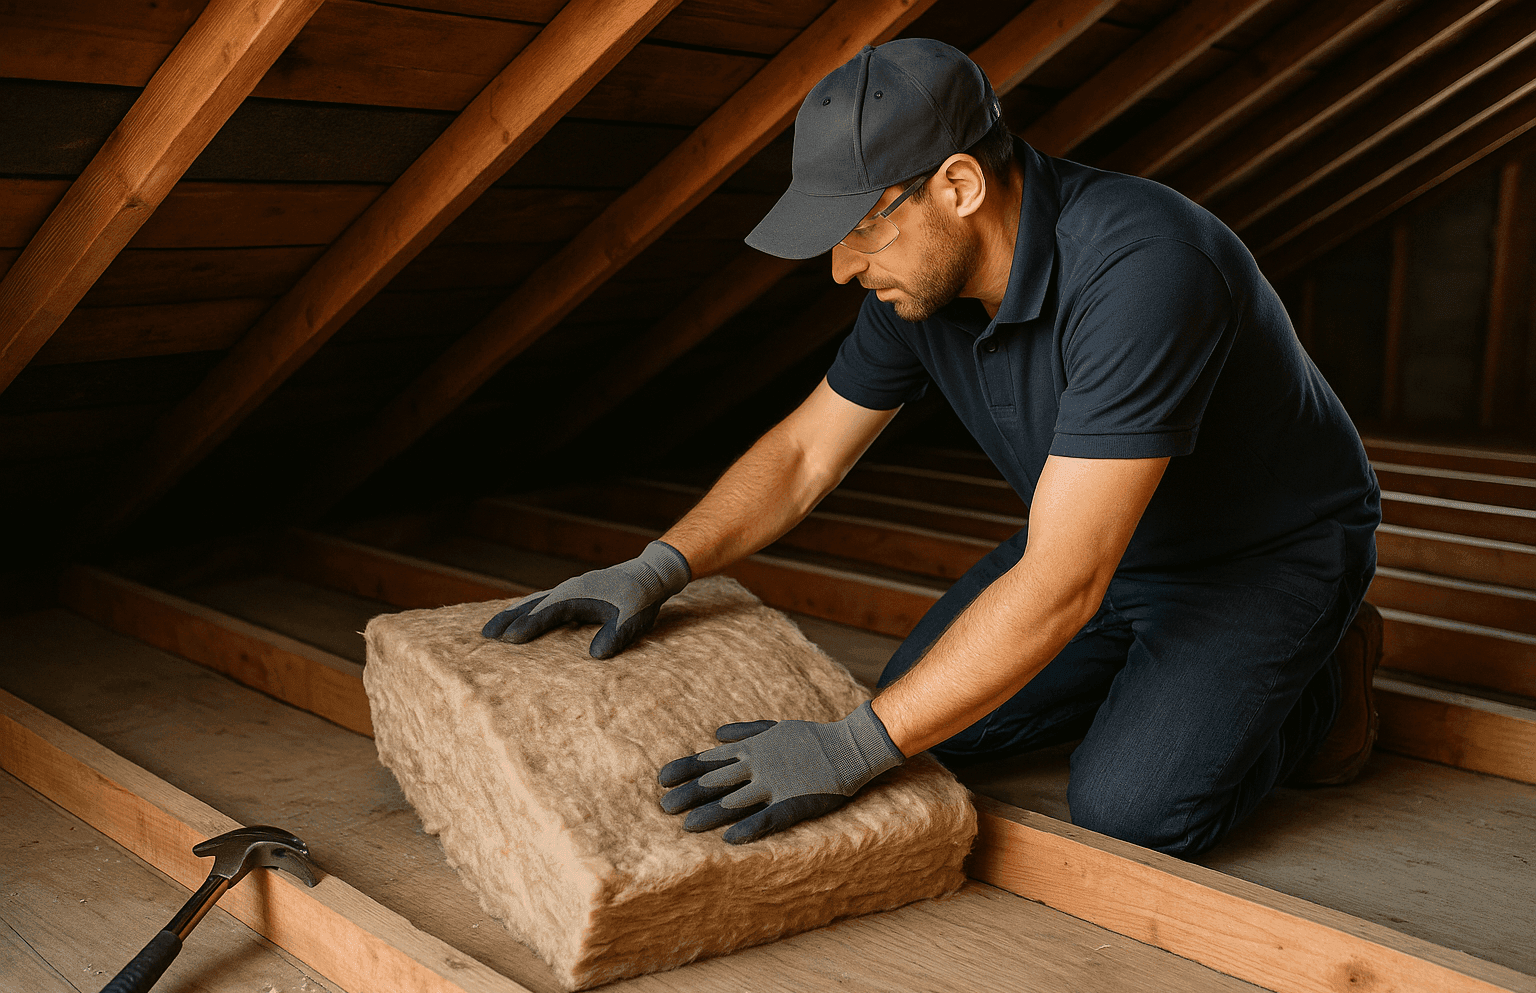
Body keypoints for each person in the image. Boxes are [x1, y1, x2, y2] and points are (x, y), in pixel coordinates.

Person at [481, 38, 1383, 857]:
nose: (841, 268)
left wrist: (851, 747)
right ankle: (1172, 686)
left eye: (861, 228)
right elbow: (805, 455)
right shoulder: (918, 289)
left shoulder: (1146, 267)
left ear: (958, 186)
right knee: (926, 710)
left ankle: (1322, 682)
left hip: (1257, 558)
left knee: (1132, 810)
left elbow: (1063, 581)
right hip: (1099, 538)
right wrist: (658, 566)